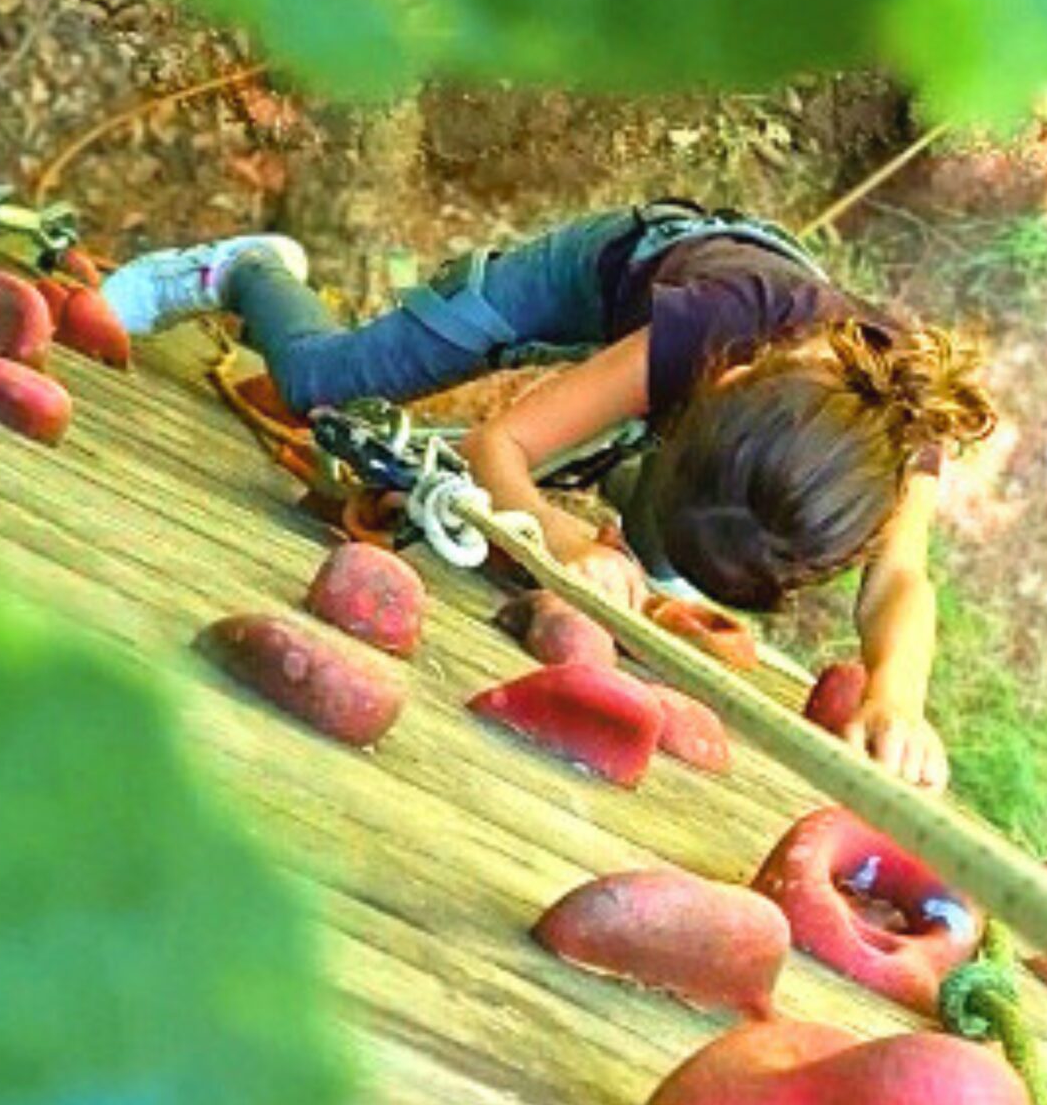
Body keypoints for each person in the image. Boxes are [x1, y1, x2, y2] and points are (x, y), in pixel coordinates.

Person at [103, 201, 998, 791]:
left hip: (716, 407)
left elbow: (897, 584)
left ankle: (645, 521)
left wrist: (898, 697)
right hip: (594, 276)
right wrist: (567, 543)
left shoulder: (902, 438)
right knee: (324, 383)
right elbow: (505, 444)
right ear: (711, 396)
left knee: (665, 550)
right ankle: (245, 270)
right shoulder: (717, 323)